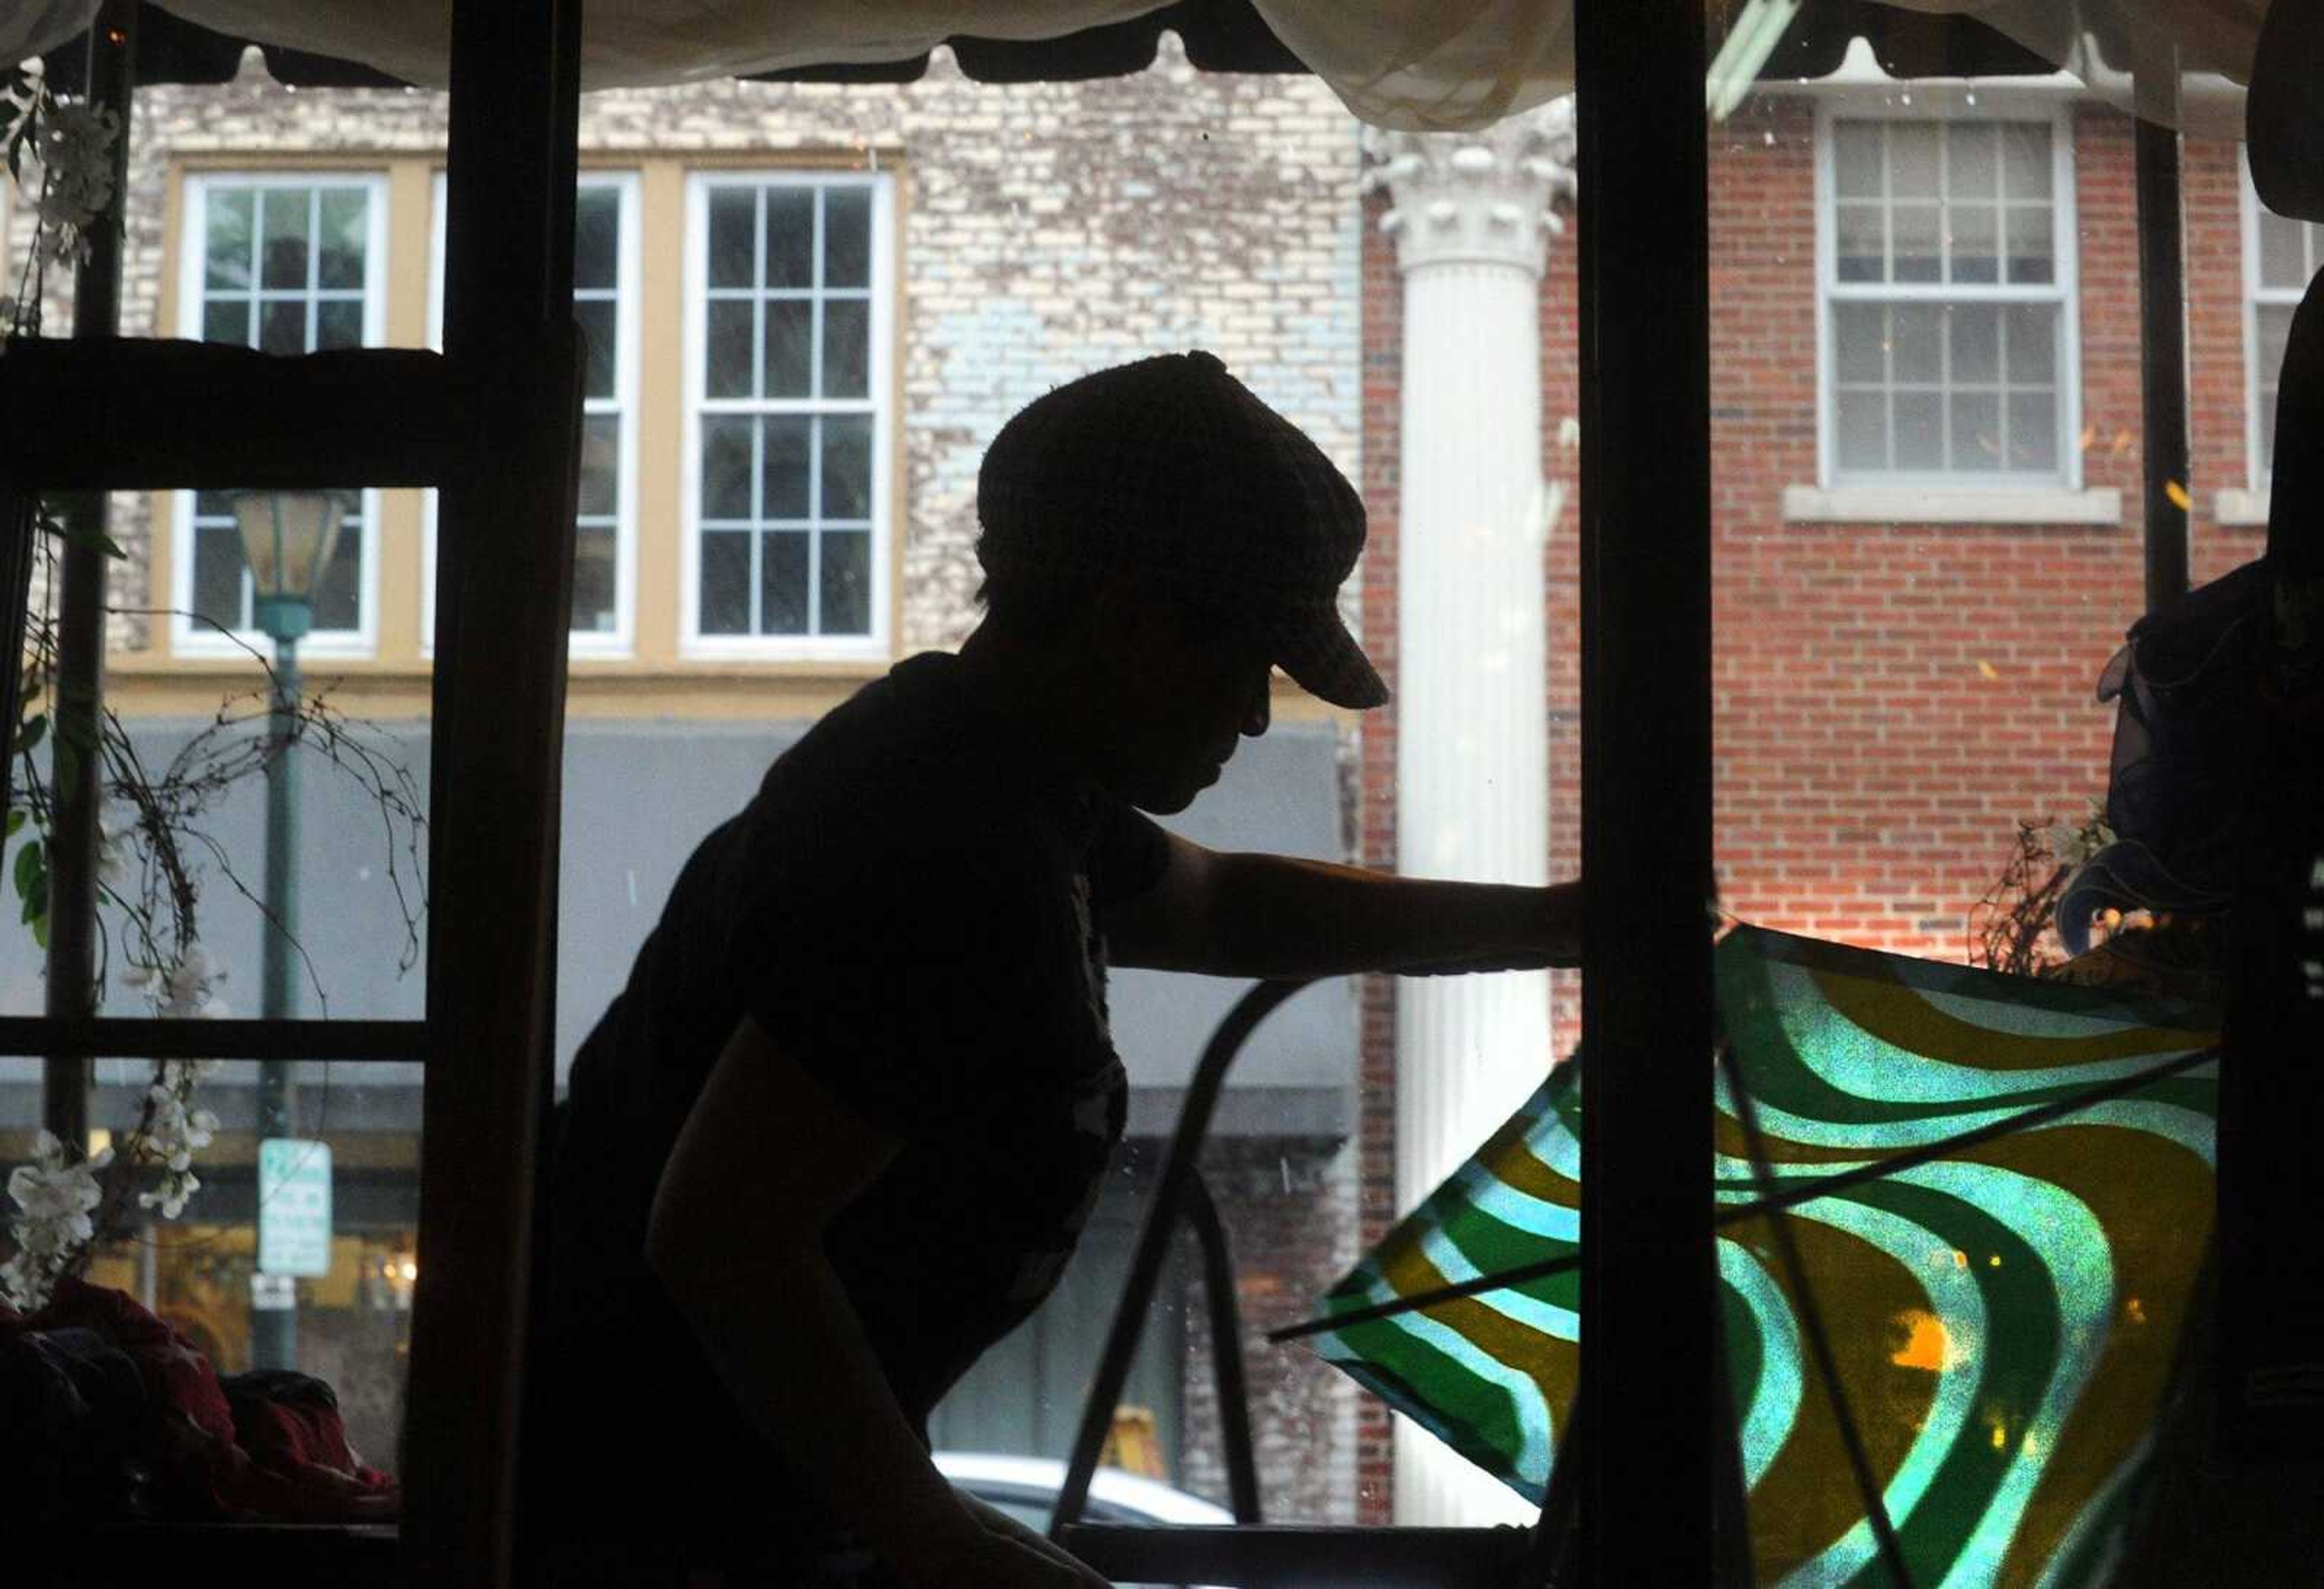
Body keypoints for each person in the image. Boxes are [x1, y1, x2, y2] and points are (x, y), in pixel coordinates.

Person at [519, 350, 1581, 1587]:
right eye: (1245, 658)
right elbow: (720, 1237)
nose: (1253, 712)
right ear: (1127, 616)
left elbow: (1224, 903)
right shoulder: (944, 847)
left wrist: (1562, 922)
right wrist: (939, 1543)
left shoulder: (1008, 784)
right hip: (660, 1550)